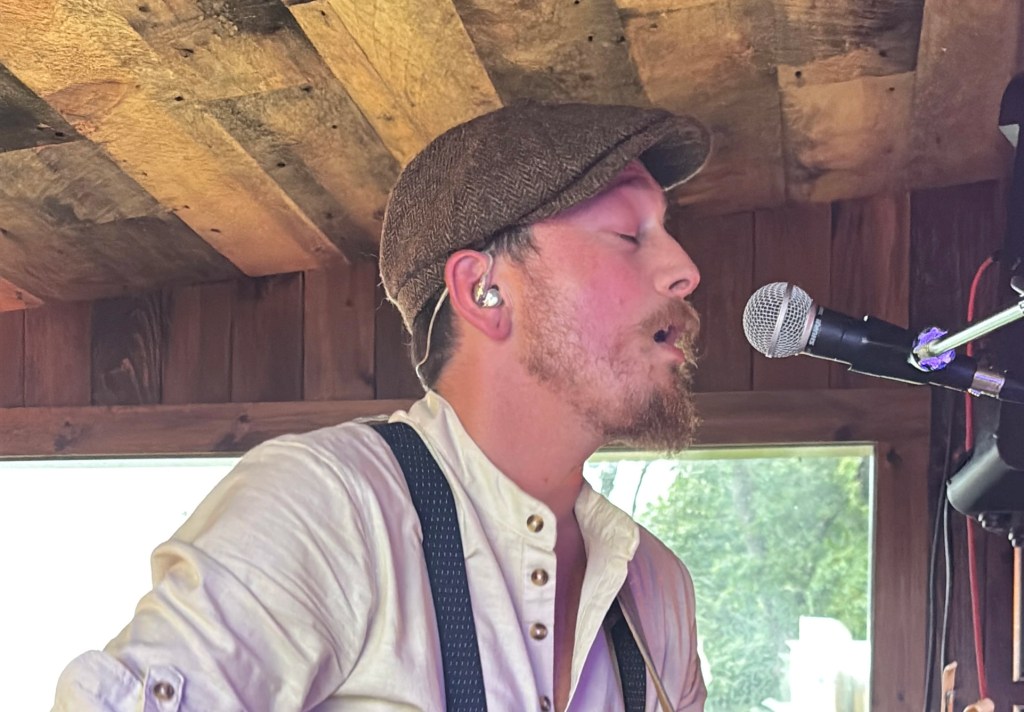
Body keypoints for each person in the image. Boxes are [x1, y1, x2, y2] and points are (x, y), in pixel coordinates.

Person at [53, 100, 711, 711]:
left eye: (667, 231)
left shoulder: (658, 587)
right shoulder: (332, 504)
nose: (685, 270)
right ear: (484, 290)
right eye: (629, 234)